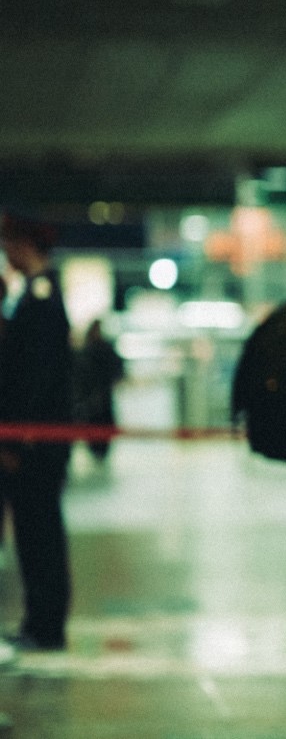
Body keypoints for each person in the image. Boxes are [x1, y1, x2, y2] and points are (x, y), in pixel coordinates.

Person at [0, 210, 75, 652]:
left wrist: (18, 438)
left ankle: (45, 625)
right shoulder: (34, 294)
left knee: (38, 531)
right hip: (35, 439)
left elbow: (36, 379)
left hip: (36, 442)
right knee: (34, 531)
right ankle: (39, 620)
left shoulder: (42, 297)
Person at [73, 319, 124, 465]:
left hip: (98, 398)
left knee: (99, 424)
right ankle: (99, 451)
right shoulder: (95, 350)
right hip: (97, 399)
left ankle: (99, 452)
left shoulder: (90, 350)